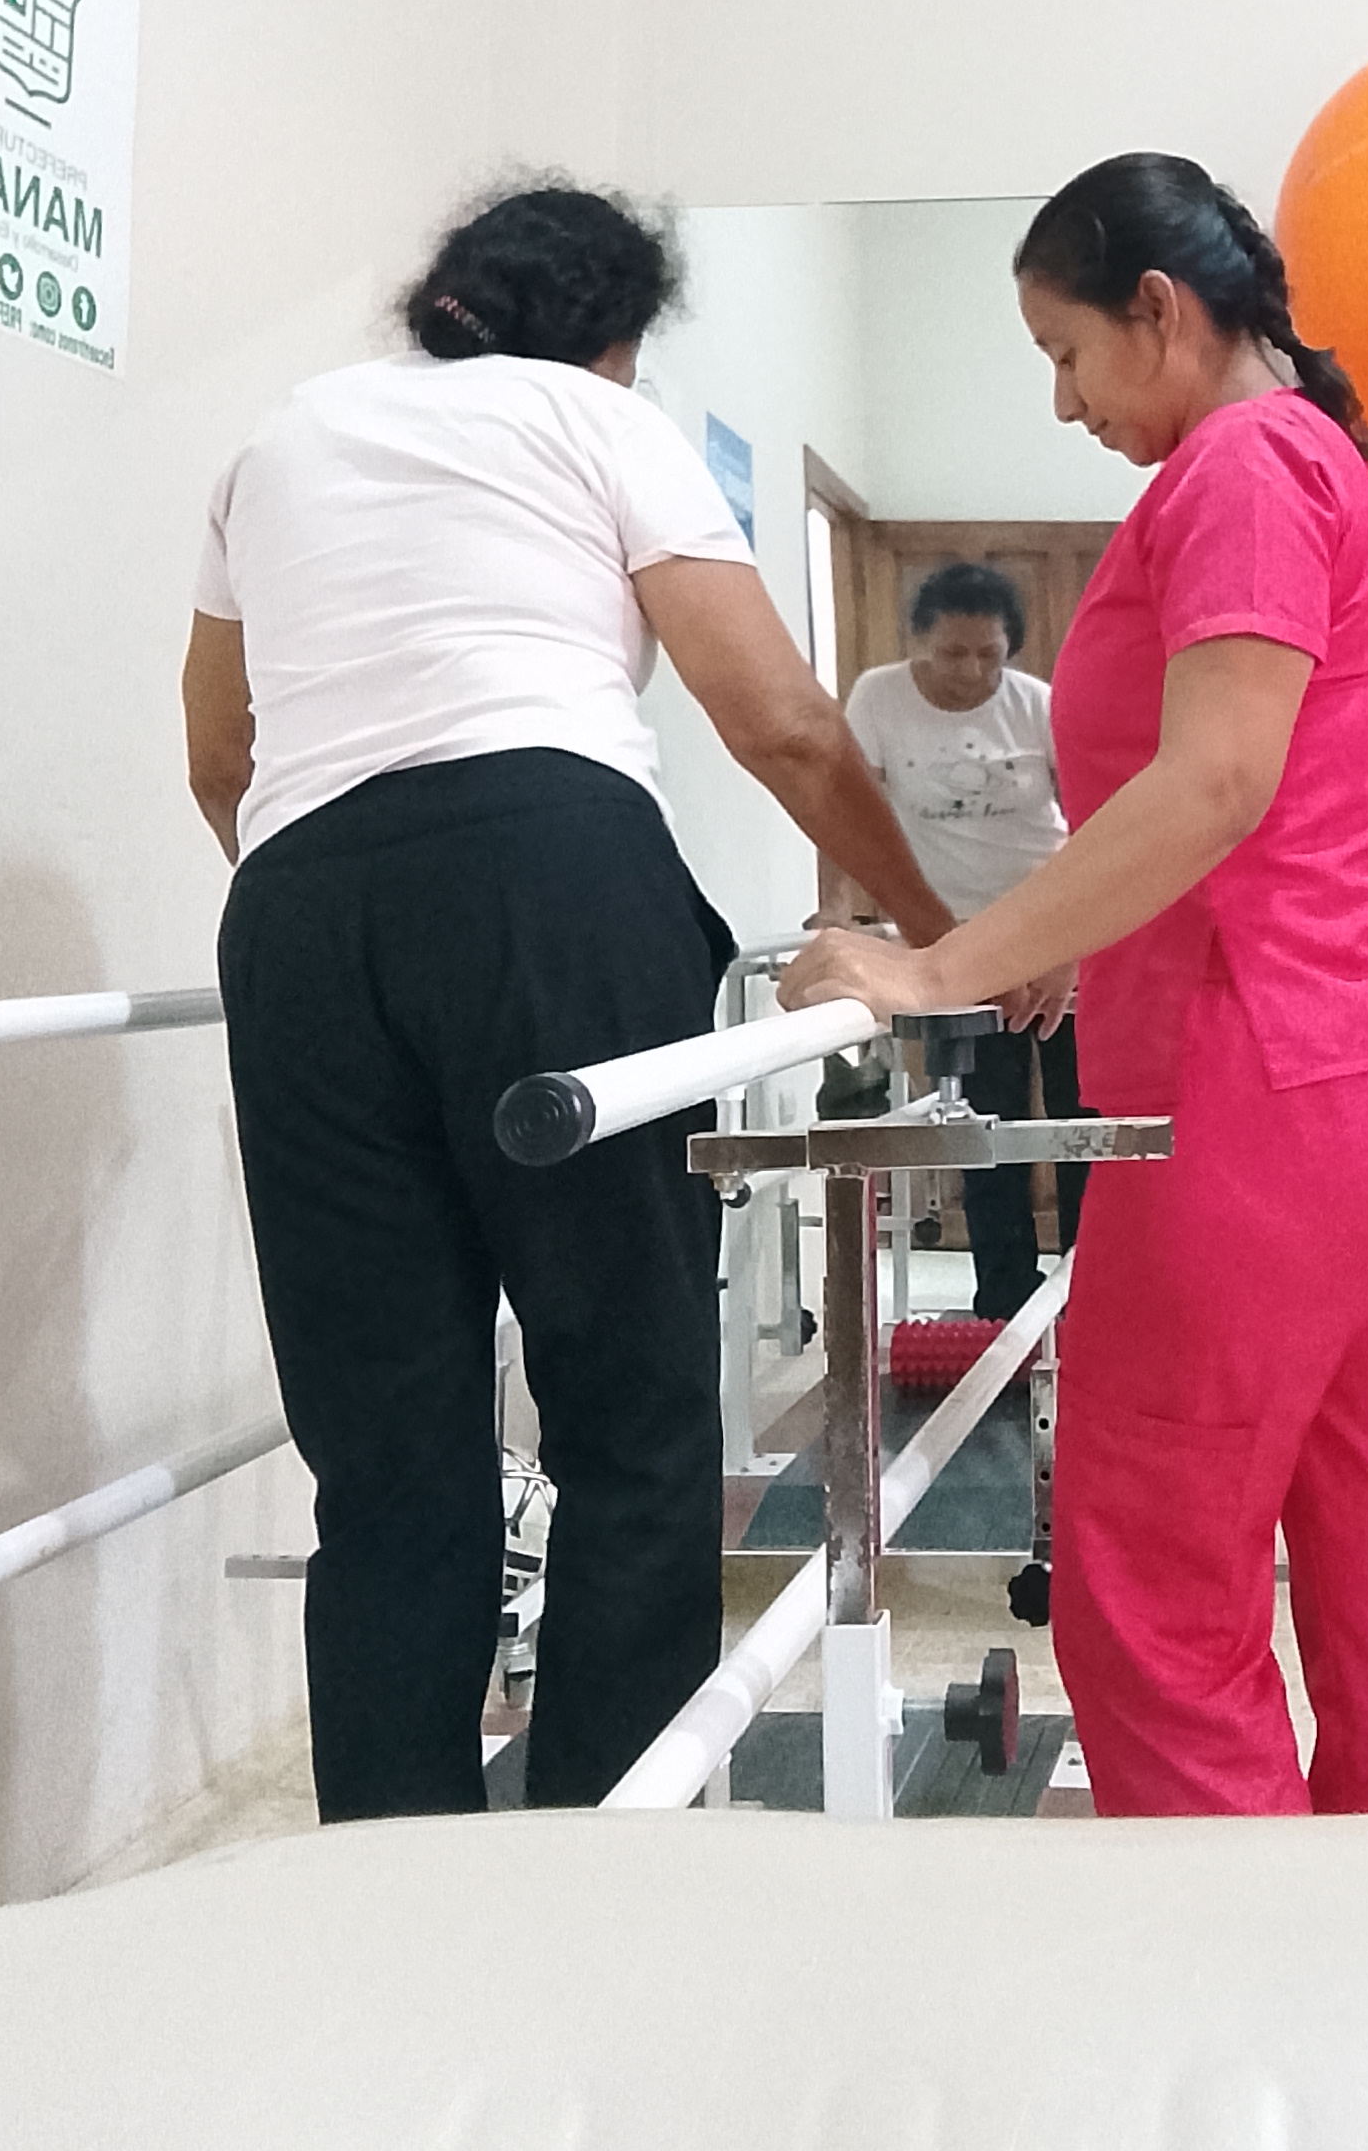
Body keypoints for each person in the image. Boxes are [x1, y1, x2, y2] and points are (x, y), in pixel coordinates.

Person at [181, 182, 953, 1822]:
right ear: (611, 338)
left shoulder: (284, 435)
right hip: (551, 876)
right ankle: (606, 1856)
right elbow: (782, 721)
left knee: (385, 1457)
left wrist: (347, 918)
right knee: (633, 1413)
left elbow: (218, 754)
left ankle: (389, 1873)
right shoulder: (598, 419)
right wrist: (940, 932)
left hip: (301, 912)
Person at [782, 152, 1368, 1817]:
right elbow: (1266, 800)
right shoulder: (1320, 458)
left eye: (1066, 350)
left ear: (1160, 311)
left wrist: (935, 965)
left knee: (1150, 1583)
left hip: (1270, 1100)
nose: (1063, 400)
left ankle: (1229, 1953)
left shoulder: (1242, 465)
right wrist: (1070, 939)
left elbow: (1214, 782)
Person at [842, 561, 1088, 1319]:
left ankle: (1088, 1294)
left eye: (990, 654)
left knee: (1080, 1122)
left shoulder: (1037, 705)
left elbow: (1088, 818)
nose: (973, 671)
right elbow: (849, 810)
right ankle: (1002, 1300)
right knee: (986, 1126)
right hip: (960, 944)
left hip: (1054, 930)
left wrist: (1078, 937)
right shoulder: (878, 698)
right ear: (918, 642)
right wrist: (839, 909)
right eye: (953, 653)